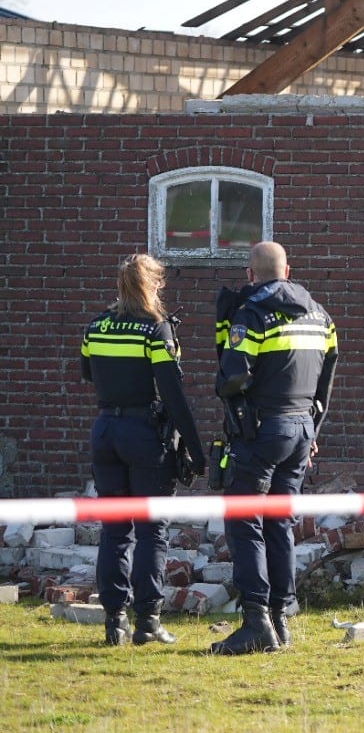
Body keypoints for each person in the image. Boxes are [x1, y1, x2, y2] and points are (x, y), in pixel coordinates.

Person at [211, 242, 338, 655]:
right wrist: (313, 428)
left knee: (245, 520)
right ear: (289, 270)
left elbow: (233, 377)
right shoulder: (320, 315)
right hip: (302, 430)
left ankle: (255, 622)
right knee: (279, 522)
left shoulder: (252, 316)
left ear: (251, 274)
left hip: (264, 429)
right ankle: (280, 620)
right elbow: (327, 377)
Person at [81, 253, 206, 646]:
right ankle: (147, 623)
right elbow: (173, 395)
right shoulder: (155, 329)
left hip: (105, 432)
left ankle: (113, 622)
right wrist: (197, 451)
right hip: (145, 434)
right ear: (153, 285)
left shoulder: (97, 325)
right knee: (152, 531)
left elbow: (88, 372)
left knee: (115, 531)